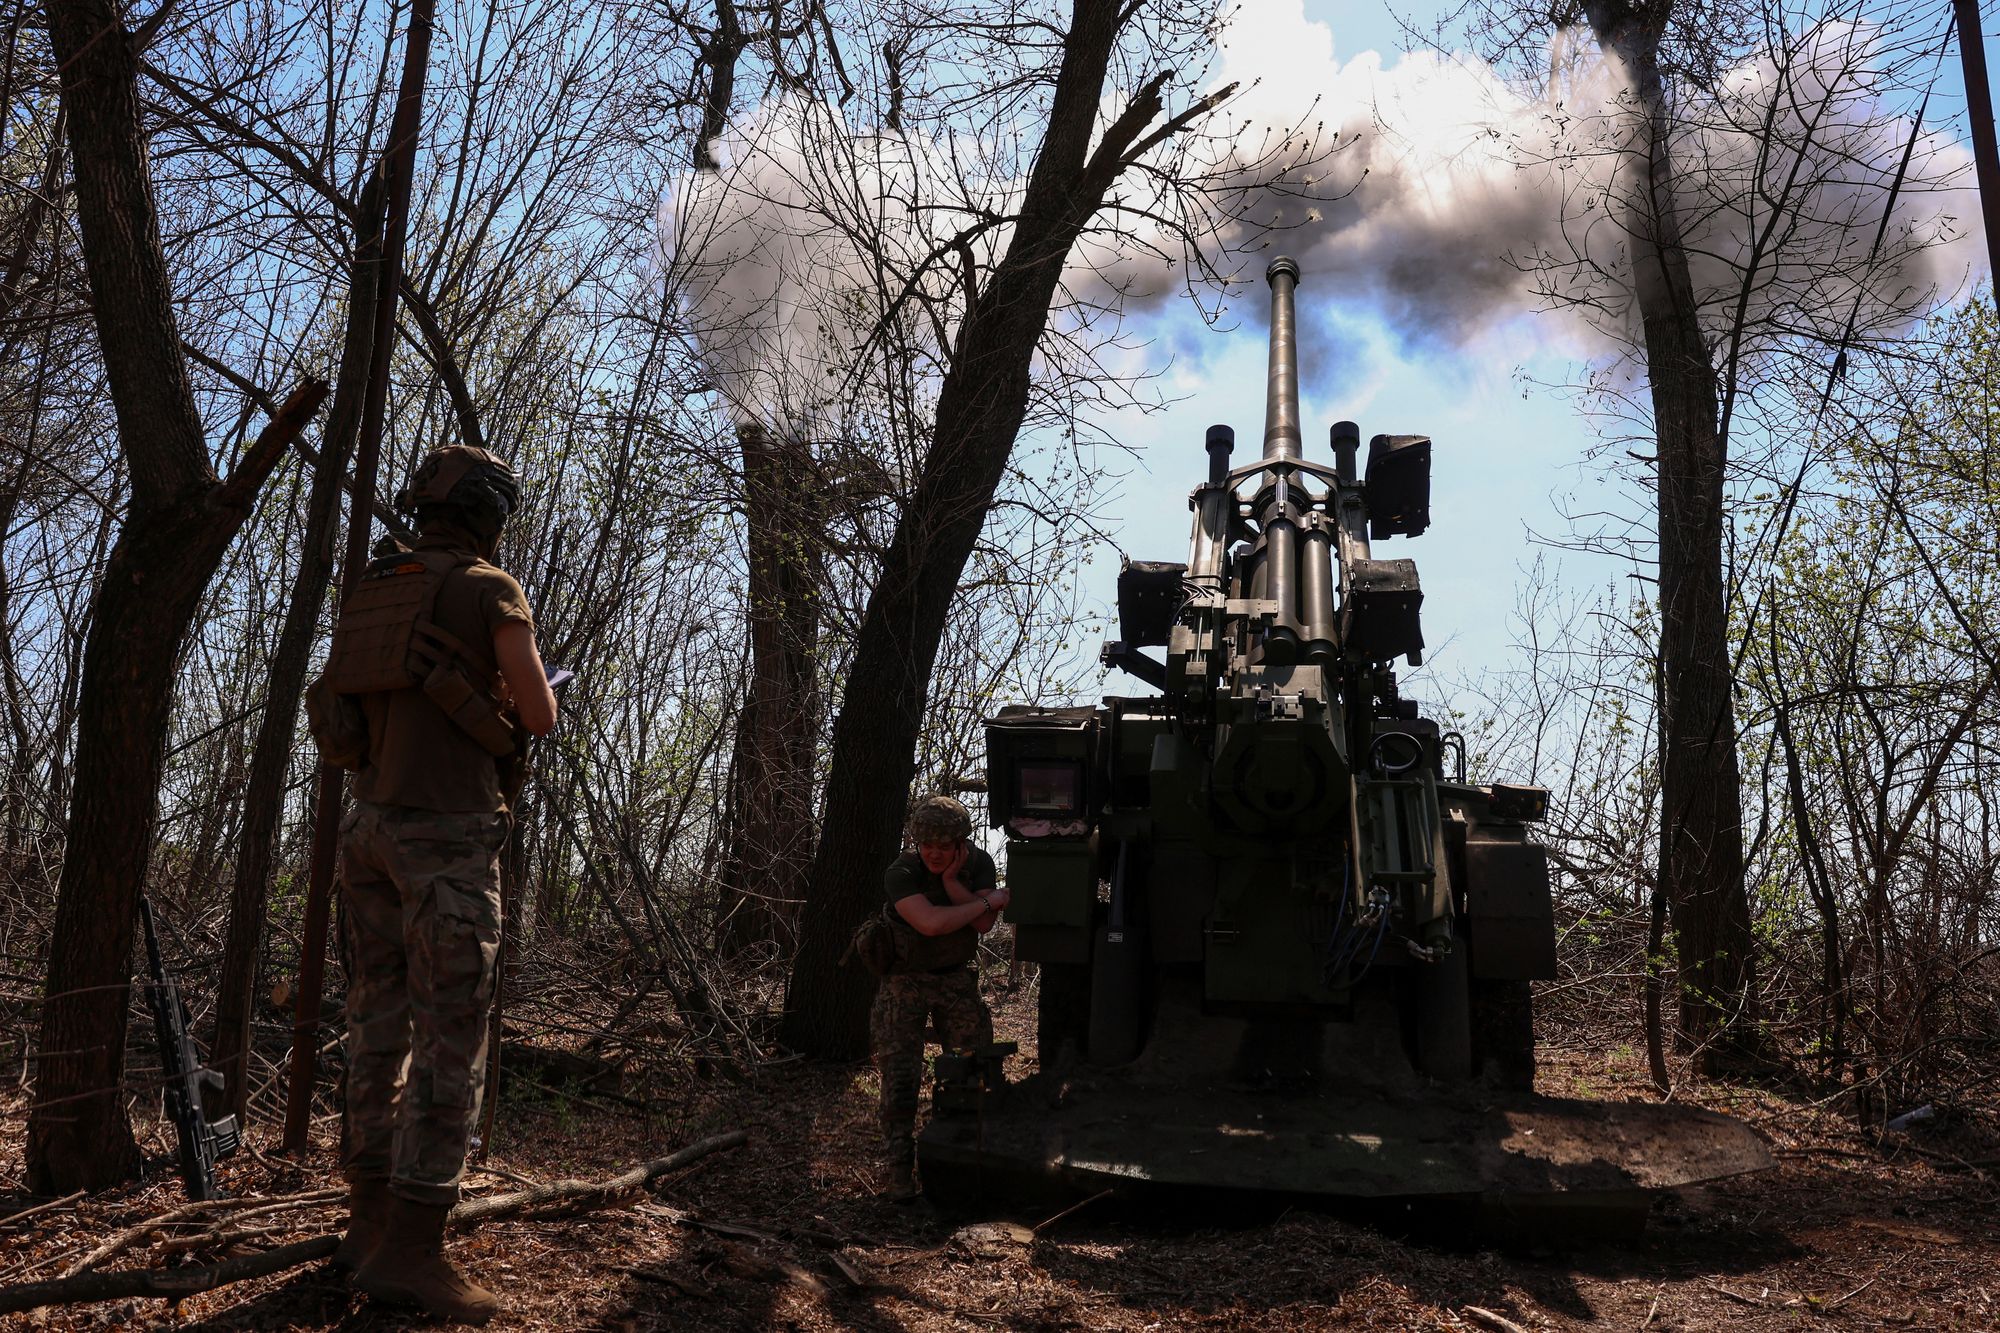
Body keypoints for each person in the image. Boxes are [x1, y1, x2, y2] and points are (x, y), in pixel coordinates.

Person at [327, 445, 557, 1323]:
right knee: (450, 1037)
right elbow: (538, 713)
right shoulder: (489, 588)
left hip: (369, 829)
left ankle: (366, 1225)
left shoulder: (379, 585)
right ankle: (415, 1251)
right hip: (447, 840)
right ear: (489, 510)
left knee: (374, 1026)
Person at [871, 795, 1010, 1200]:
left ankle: (964, 1166)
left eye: (944, 846)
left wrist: (952, 885)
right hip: (904, 981)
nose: (934, 853)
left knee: (974, 1071)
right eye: (926, 844)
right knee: (900, 1078)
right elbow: (931, 924)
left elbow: (983, 925)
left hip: (955, 981)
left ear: (960, 844)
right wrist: (984, 900)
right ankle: (899, 1172)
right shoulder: (902, 870)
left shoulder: (978, 864)